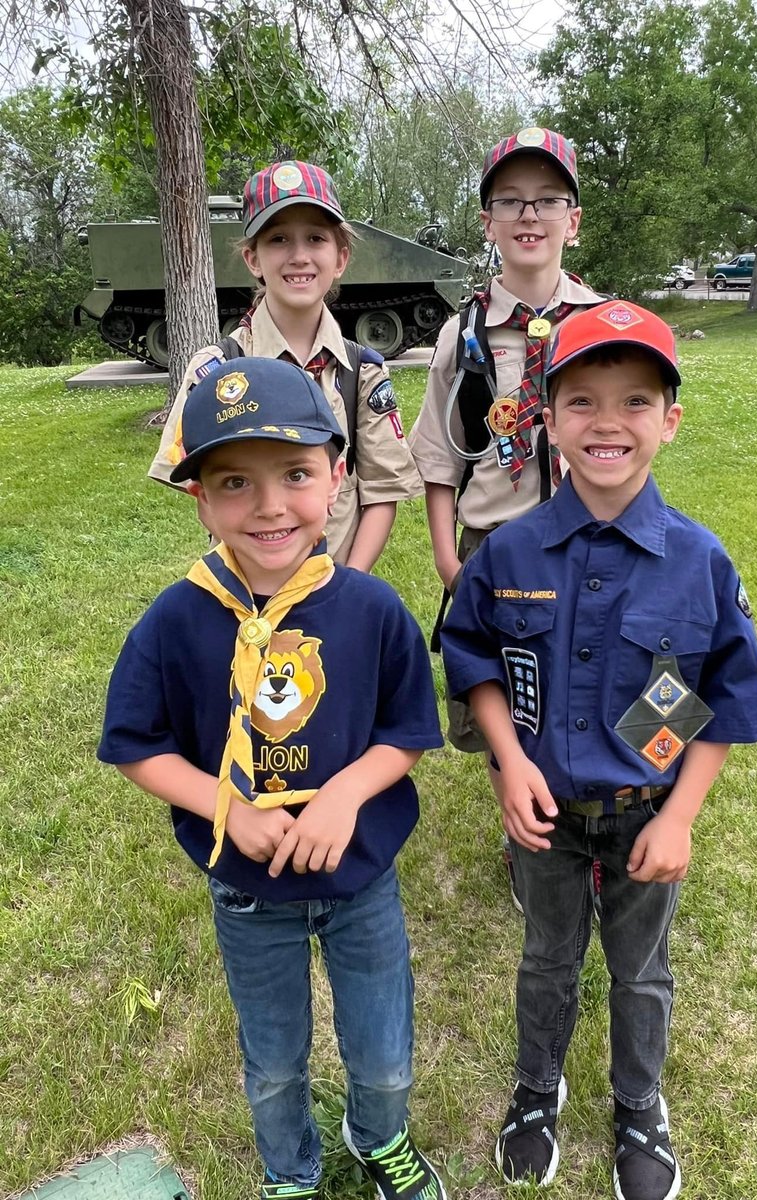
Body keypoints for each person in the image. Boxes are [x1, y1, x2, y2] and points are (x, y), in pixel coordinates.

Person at [441, 301, 757, 1200]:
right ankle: (534, 1093)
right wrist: (510, 764)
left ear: (669, 420)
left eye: (635, 402)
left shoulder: (698, 562)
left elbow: (727, 698)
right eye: (582, 401)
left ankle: (639, 1103)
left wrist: (681, 817)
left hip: (645, 820)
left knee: (641, 971)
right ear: (549, 420)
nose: (607, 423)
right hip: (544, 816)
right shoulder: (509, 550)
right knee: (547, 961)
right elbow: (471, 655)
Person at [100, 357, 446, 1200]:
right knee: (274, 1058)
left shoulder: (371, 610)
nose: (268, 507)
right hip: (248, 888)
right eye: (234, 483)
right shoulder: (177, 618)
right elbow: (136, 743)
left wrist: (342, 794)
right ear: (200, 499)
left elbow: (406, 732)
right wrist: (228, 809)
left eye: (295, 474)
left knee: (383, 1049)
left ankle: (379, 1137)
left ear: (338, 477)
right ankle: (288, 1170)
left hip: (359, 877)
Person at [408, 128, 604, 909]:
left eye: (548, 200)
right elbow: (438, 457)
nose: (530, 215)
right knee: (505, 696)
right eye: (511, 201)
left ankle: (586, 832)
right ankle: (522, 834)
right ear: (488, 221)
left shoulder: (603, 322)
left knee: (583, 684)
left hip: (588, 536)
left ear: (574, 219)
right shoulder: (461, 334)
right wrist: (447, 559)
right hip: (495, 545)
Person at [150, 160, 422, 570]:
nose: (298, 256)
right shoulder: (216, 371)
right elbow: (200, 489)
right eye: (278, 239)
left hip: (335, 588)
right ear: (253, 259)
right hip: (244, 597)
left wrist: (348, 587)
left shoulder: (360, 372)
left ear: (341, 257)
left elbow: (382, 492)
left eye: (315, 238)